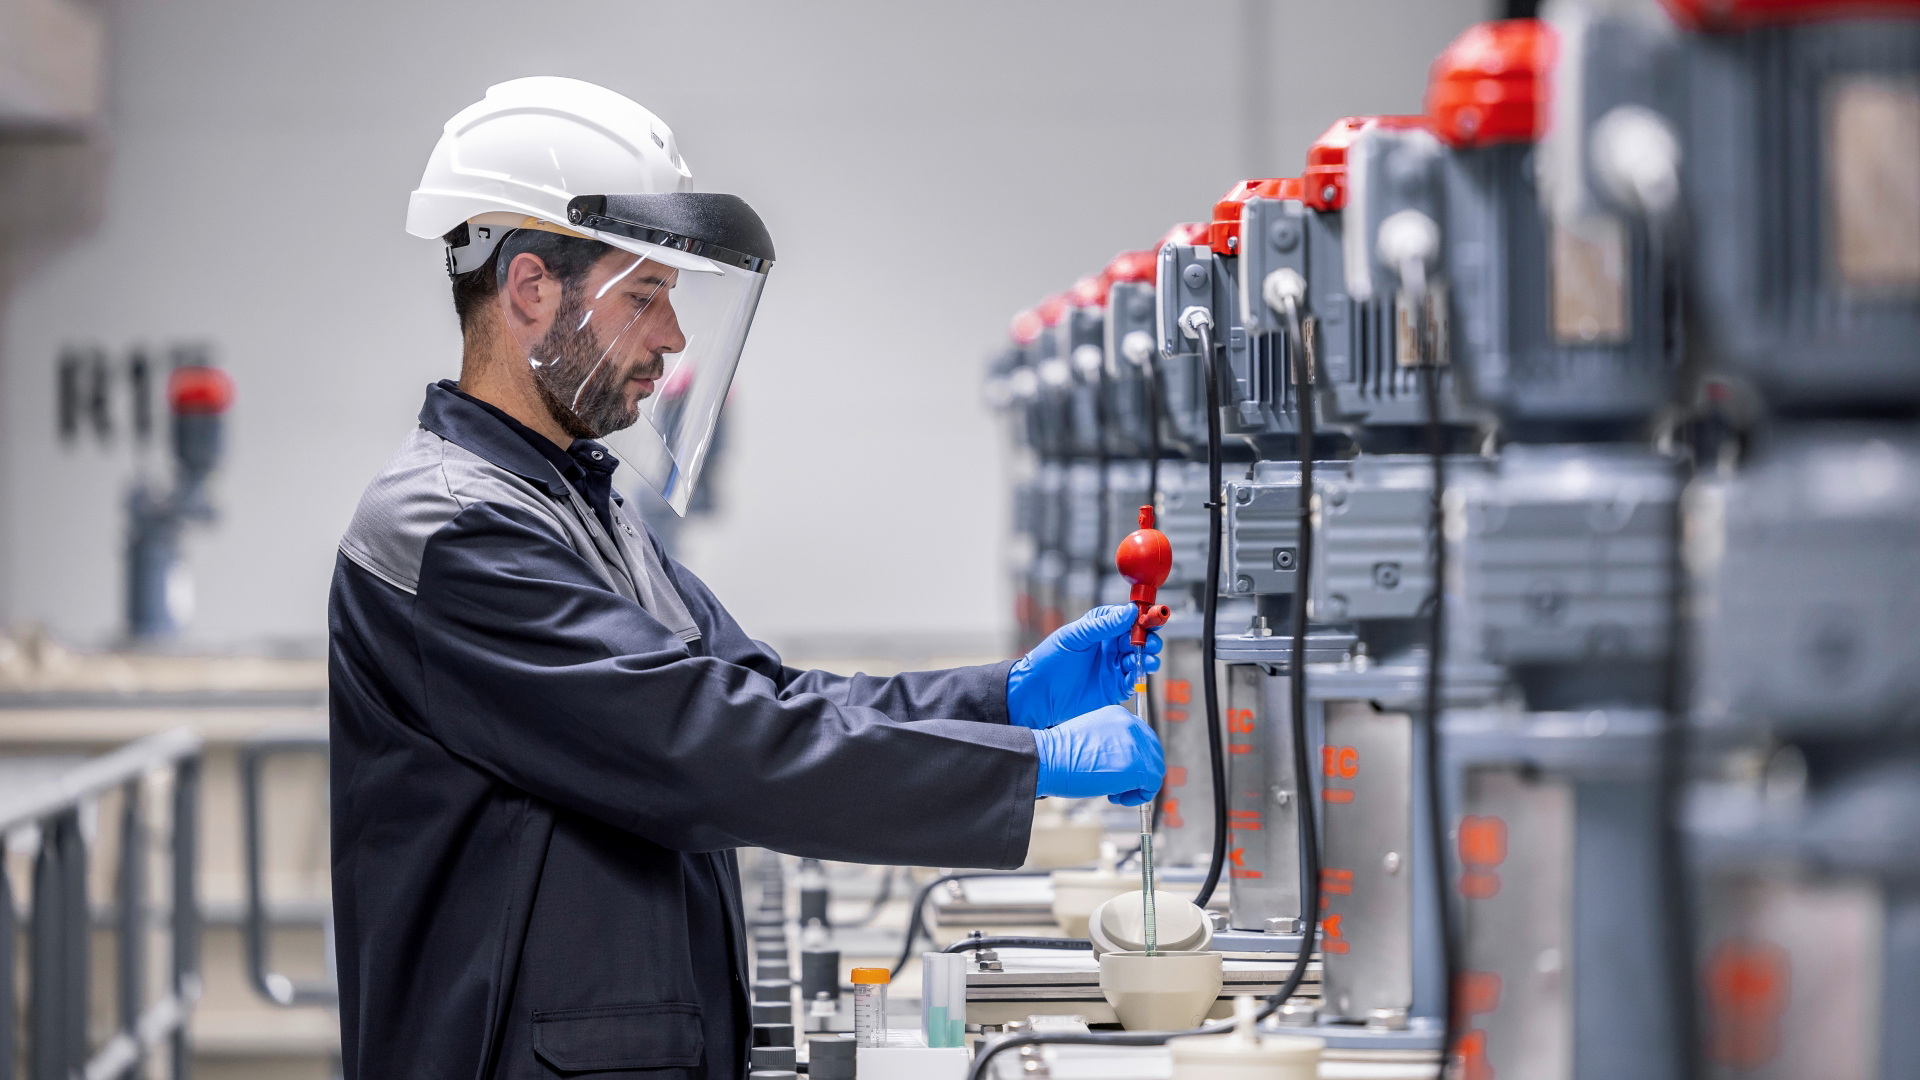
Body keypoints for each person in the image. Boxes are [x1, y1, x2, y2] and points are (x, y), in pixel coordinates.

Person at [328, 76, 1165, 1080]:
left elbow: (766, 698)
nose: (674, 340)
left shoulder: (577, 506)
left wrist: (1003, 703)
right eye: (645, 295)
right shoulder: (451, 532)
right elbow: (710, 747)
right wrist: (1025, 771)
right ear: (531, 290)